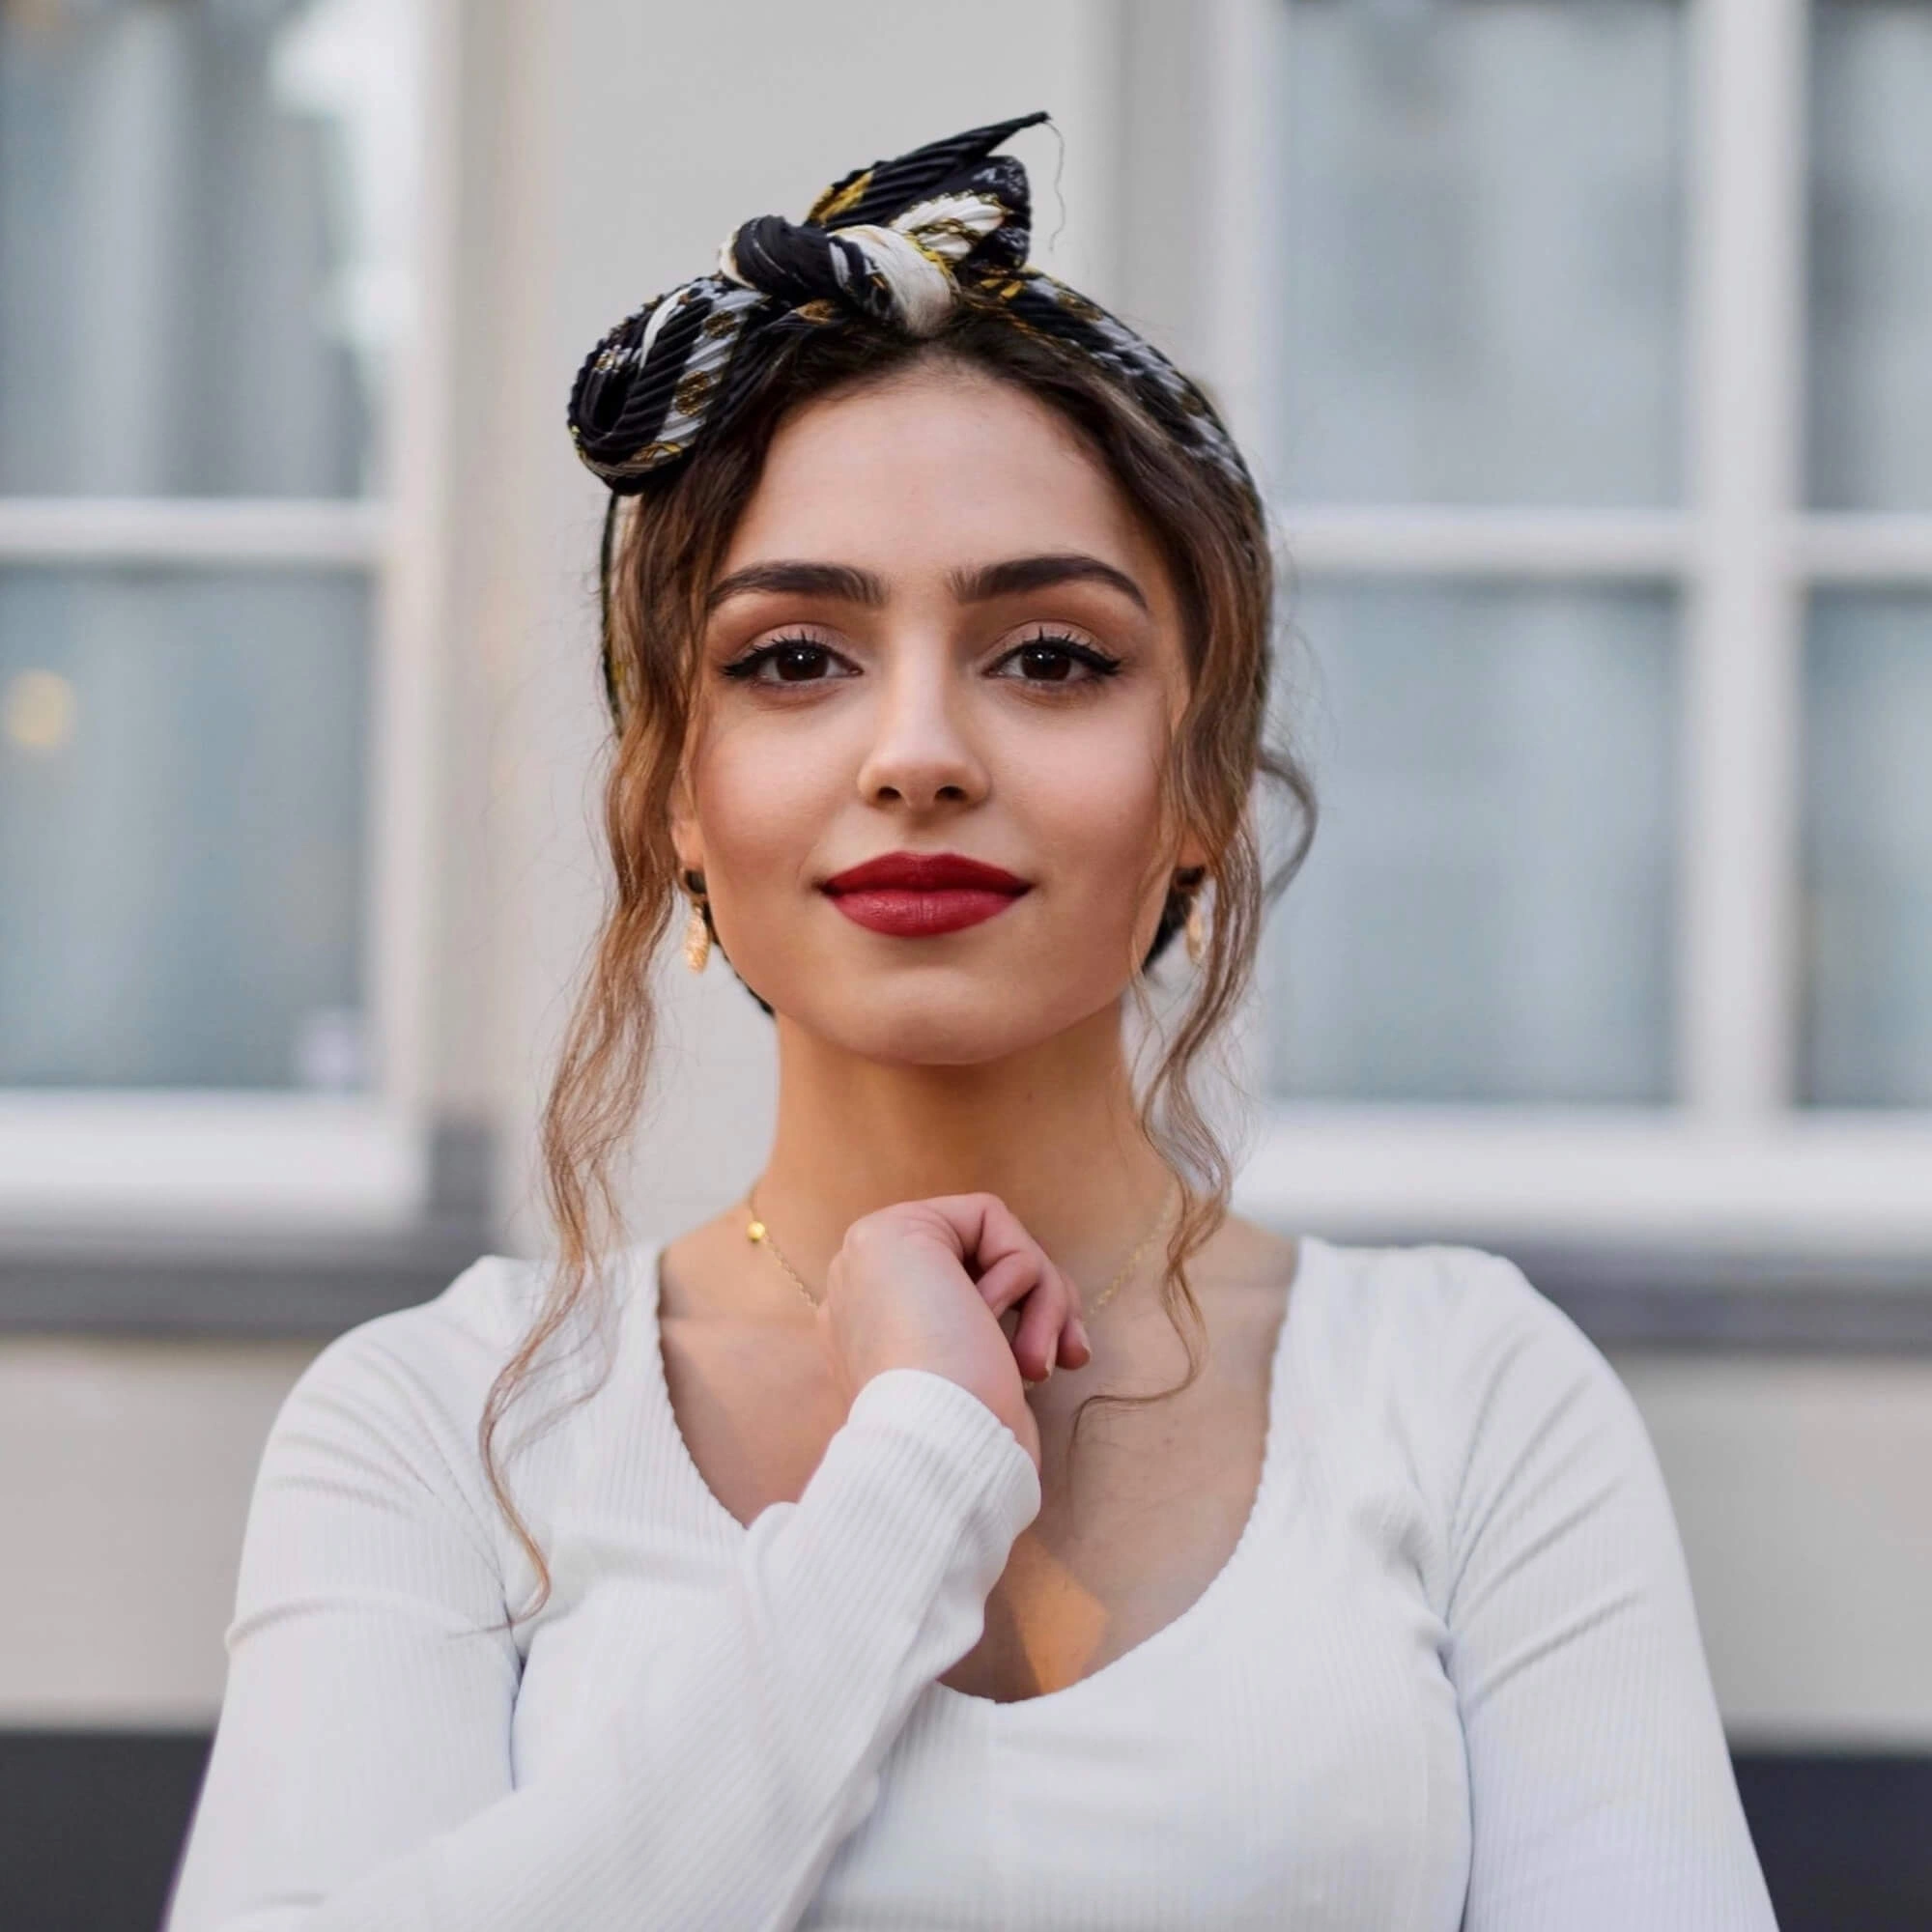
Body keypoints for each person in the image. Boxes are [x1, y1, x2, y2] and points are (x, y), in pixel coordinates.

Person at [164, 116, 1777, 1930]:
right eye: (793, 660)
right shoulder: (440, 1426)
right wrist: (911, 1477)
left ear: (1199, 788)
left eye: (1050, 657)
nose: (918, 751)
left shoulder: (1466, 1397)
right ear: (677, 793)